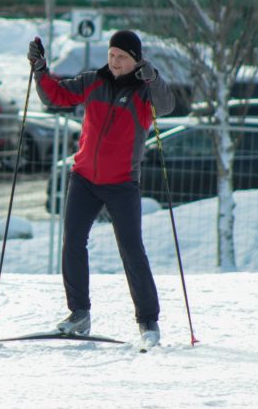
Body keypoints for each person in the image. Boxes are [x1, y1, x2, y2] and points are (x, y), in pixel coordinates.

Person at [27, 30, 175, 347]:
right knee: (73, 243)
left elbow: (165, 106)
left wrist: (154, 77)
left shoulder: (144, 90)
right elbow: (54, 96)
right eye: (112, 55)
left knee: (132, 250)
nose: (115, 61)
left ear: (136, 59)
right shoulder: (93, 80)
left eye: (122, 57)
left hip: (122, 182)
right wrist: (40, 68)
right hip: (83, 178)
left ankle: (148, 322)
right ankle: (79, 314)